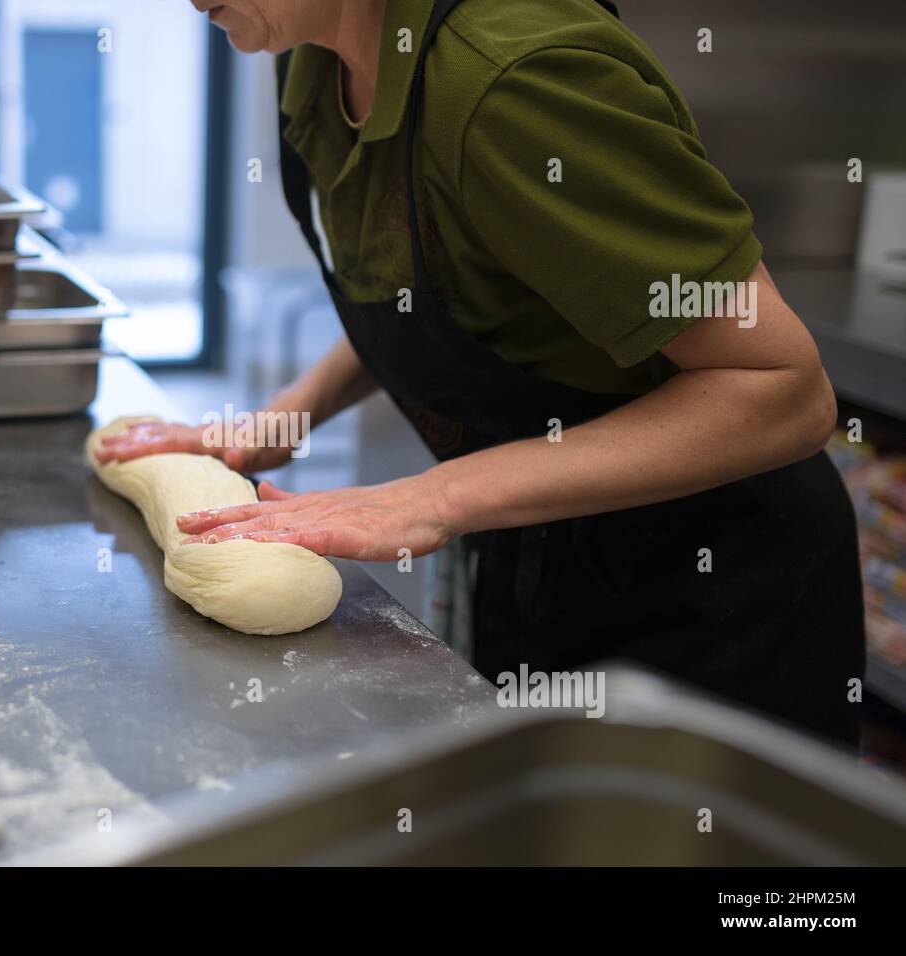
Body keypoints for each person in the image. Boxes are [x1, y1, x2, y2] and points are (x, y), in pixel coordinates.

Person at [97, 0, 864, 747]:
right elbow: (432, 292)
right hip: (541, 548)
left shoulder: (518, 81)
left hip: (711, 589)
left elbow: (785, 391)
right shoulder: (312, 55)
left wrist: (434, 498)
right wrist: (283, 420)